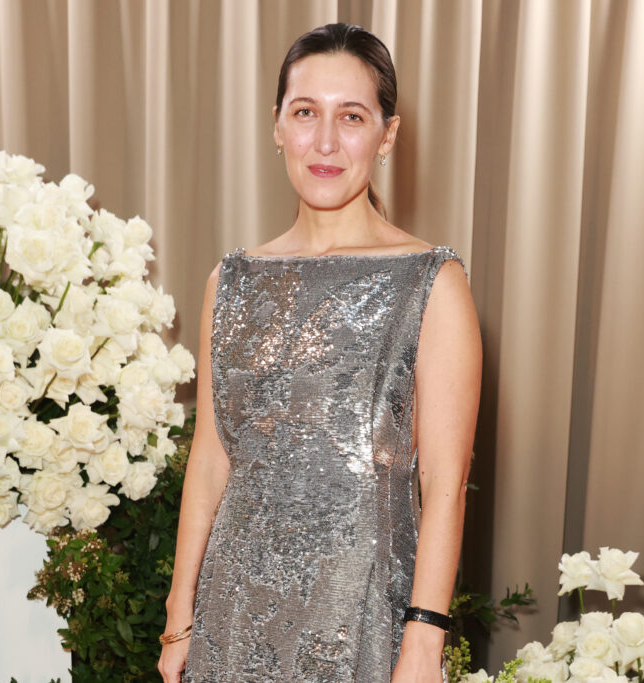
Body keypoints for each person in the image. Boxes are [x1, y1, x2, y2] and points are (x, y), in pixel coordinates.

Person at [158, 22, 481, 682]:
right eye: (305, 112)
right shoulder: (231, 281)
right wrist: (178, 617)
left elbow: (443, 485)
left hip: (359, 618)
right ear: (277, 125)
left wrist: (424, 643)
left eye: (352, 116)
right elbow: (212, 460)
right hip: (234, 615)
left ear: (387, 136)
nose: (325, 141)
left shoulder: (431, 281)